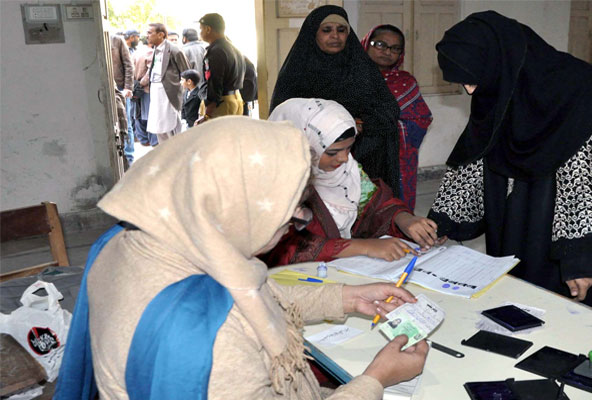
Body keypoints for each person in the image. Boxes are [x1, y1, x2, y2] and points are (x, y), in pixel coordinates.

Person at [54, 117, 428, 399]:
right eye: (292, 213)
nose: (295, 224)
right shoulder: (212, 345)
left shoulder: (128, 243)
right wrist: (374, 380)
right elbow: (228, 320)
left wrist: (346, 297)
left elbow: (240, 296)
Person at [429, 11, 592, 324]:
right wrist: (444, 220)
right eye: (463, 82)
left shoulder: (580, 87)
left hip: (576, 225)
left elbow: (588, 176)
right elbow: (477, 150)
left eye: (471, 79)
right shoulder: (500, 79)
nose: (471, 91)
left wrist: (579, 259)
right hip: (519, 215)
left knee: (578, 321)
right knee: (523, 307)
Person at [265, 98, 444, 266]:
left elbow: (373, 205)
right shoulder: (270, 184)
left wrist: (405, 220)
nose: (344, 158)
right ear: (302, 146)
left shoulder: (346, 171)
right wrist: (363, 247)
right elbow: (284, 249)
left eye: (349, 148)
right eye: (333, 152)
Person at [270, 5, 402, 199]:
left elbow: (389, 109)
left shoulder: (361, 68)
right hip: (314, 165)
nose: (335, 36)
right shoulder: (297, 73)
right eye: (326, 30)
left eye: (341, 30)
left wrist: (360, 124)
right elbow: (284, 119)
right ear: (313, 34)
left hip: (364, 160)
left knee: (362, 213)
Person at [361, 25, 433, 211]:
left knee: (392, 207)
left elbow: (421, 119)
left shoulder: (406, 82)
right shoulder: (349, 79)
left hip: (395, 158)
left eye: (395, 48)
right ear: (366, 44)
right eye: (380, 45)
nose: (387, 52)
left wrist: (387, 128)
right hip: (357, 154)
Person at [145, 23, 190, 142]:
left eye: (150, 33)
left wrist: (180, 91)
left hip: (169, 95)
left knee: (172, 129)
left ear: (161, 35)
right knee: (159, 128)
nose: (147, 36)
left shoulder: (174, 50)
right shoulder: (155, 49)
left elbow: (186, 72)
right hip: (156, 93)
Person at [197, 13, 245, 121]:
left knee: (215, 137)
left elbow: (215, 83)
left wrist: (207, 115)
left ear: (208, 29)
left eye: (201, 29)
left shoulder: (216, 51)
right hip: (236, 99)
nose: (200, 33)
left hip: (221, 105)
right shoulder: (233, 48)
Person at [110, 34, 135, 165]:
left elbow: (129, 65)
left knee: (127, 123)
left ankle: (129, 158)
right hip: (107, 87)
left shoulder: (117, 40)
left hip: (120, 88)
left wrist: (128, 87)